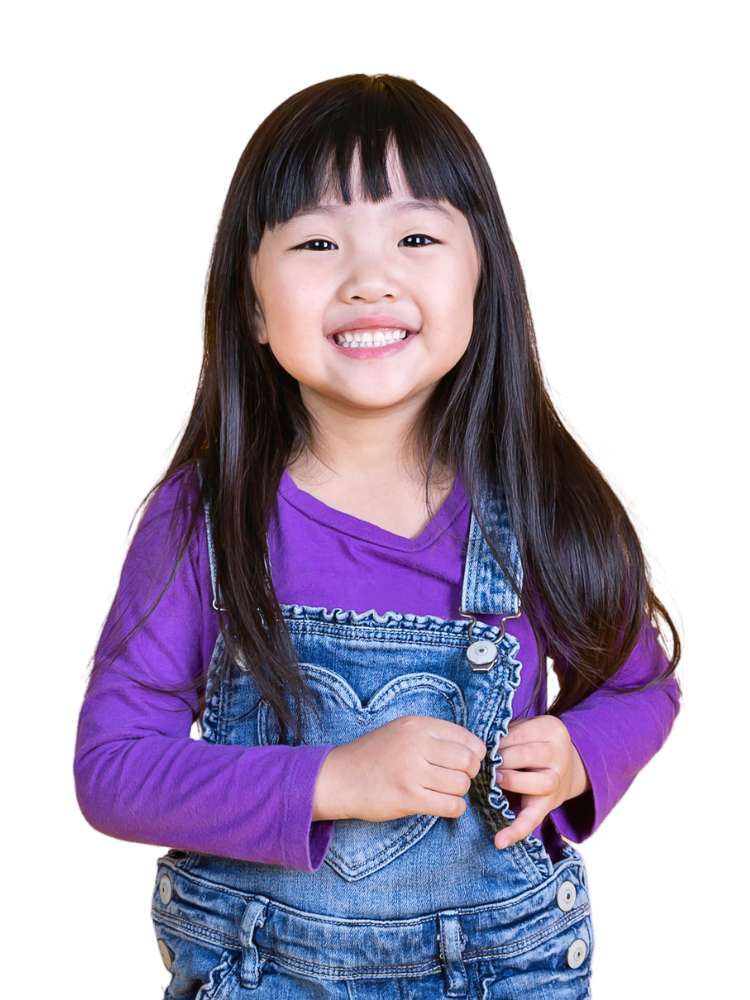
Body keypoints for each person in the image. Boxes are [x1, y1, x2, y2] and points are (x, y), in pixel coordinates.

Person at [72, 72, 686, 999]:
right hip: (260, 974)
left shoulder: (545, 503)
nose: (369, 278)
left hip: (503, 975)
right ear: (248, 301)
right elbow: (111, 772)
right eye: (317, 240)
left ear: (485, 276)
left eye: (417, 236)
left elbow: (646, 683)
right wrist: (328, 782)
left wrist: (580, 754)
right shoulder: (204, 519)